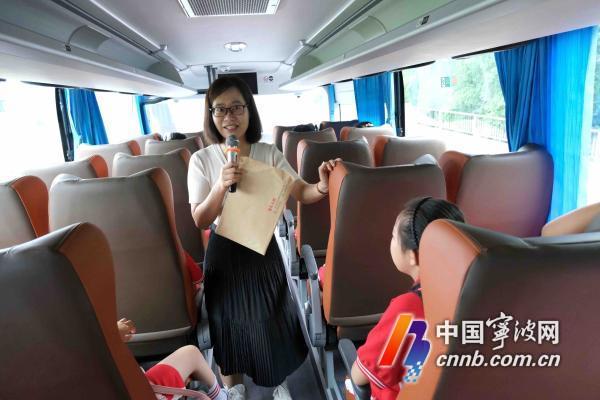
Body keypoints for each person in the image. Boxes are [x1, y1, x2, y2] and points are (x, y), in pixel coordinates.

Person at [187, 76, 340, 400]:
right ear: (211, 114)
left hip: (261, 246)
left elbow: (302, 191)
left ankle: (277, 384)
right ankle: (235, 389)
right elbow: (200, 218)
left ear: (249, 110)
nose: (229, 116)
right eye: (220, 109)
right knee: (227, 323)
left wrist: (322, 186)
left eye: (237, 107)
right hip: (224, 250)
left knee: (271, 319)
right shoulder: (202, 160)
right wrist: (220, 185)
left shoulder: (268, 153)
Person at [350, 197, 465, 400]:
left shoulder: (408, 311)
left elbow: (362, 375)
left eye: (393, 236)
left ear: (413, 255)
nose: (391, 241)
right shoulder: (476, 295)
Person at [117, 318, 237, 400]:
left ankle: (221, 396)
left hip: (134, 387)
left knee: (190, 354)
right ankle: (222, 397)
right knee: (191, 354)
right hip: (144, 391)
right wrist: (115, 334)